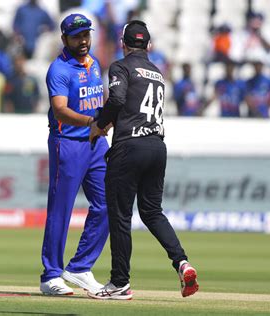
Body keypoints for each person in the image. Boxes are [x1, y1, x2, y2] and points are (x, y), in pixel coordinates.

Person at [88, 20, 199, 300]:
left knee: (120, 216)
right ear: (148, 45)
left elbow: (117, 98)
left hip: (129, 146)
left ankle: (119, 283)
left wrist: (100, 124)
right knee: (152, 212)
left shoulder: (120, 66)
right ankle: (181, 262)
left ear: (122, 43)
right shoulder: (158, 73)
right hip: (157, 146)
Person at [40, 13, 109, 296]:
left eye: (86, 35)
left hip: (95, 145)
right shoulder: (59, 70)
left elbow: (99, 99)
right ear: (64, 39)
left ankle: (80, 267)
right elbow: (60, 110)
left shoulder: (94, 64)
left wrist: (106, 117)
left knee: (109, 203)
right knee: (61, 209)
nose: (83, 41)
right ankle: (51, 276)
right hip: (67, 144)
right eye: (77, 36)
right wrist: (91, 123)